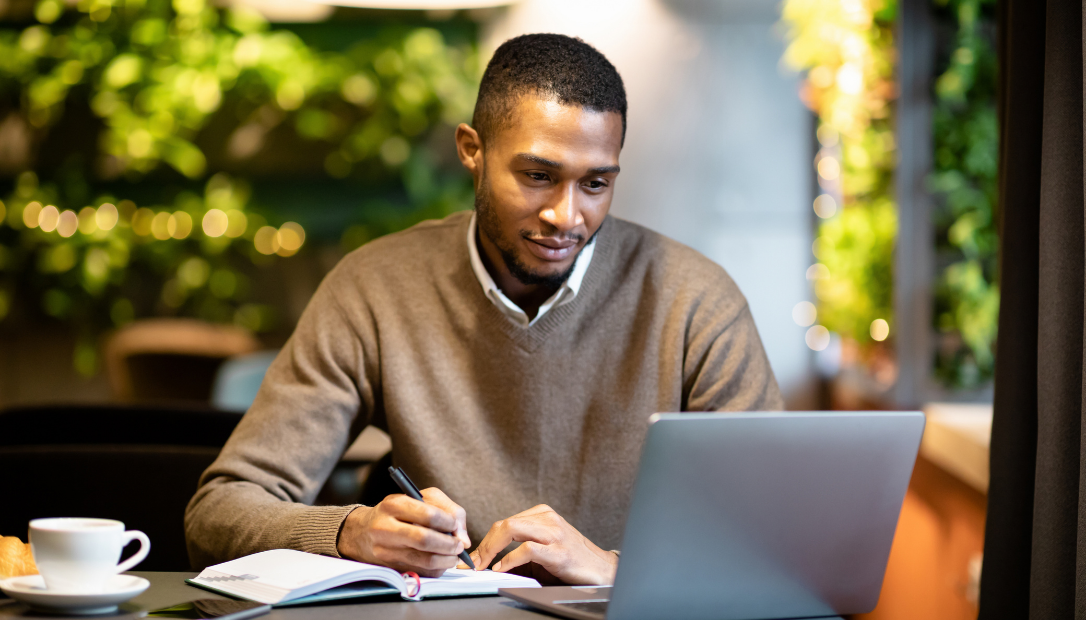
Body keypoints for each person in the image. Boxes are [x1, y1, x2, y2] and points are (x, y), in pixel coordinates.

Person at [185, 33, 783, 586]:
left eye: (595, 184)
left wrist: (611, 566)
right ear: (472, 151)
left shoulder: (696, 299)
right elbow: (218, 512)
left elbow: (777, 533)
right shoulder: (376, 287)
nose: (566, 216)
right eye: (538, 175)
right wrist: (349, 534)